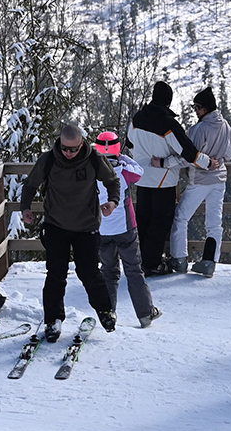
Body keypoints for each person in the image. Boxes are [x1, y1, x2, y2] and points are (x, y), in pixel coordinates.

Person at [19, 121, 124, 334]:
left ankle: (105, 312)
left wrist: (112, 202)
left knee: (89, 273)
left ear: (82, 144)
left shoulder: (94, 159)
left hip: (86, 226)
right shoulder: (49, 160)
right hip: (56, 225)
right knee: (56, 274)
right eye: (65, 148)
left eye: (73, 149)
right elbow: (30, 185)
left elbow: (113, 181)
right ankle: (53, 320)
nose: (68, 153)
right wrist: (25, 208)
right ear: (59, 144)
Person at [127, 82, 200, 275]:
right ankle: (152, 263)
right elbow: (189, 153)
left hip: (141, 178)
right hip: (163, 179)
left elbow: (129, 144)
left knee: (142, 220)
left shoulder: (136, 119)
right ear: (169, 101)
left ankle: (139, 261)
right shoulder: (168, 124)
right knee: (159, 223)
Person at [93, 130, 161, 328]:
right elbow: (139, 171)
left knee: (108, 272)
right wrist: (121, 157)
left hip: (101, 229)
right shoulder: (124, 170)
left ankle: (108, 314)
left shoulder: (91, 170)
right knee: (133, 271)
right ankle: (145, 313)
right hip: (126, 228)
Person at [170, 87, 231, 276]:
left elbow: (189, 156)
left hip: (199, 180)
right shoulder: (226, 127)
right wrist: (217, 159)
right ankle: (209, 261)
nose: (195, 111)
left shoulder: (199, 129)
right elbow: (230, 154)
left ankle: (179, 259)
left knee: (181, 218)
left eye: (197, 107)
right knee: (214, 223)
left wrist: (165, 163)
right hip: (219, 180)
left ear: (205, 108)